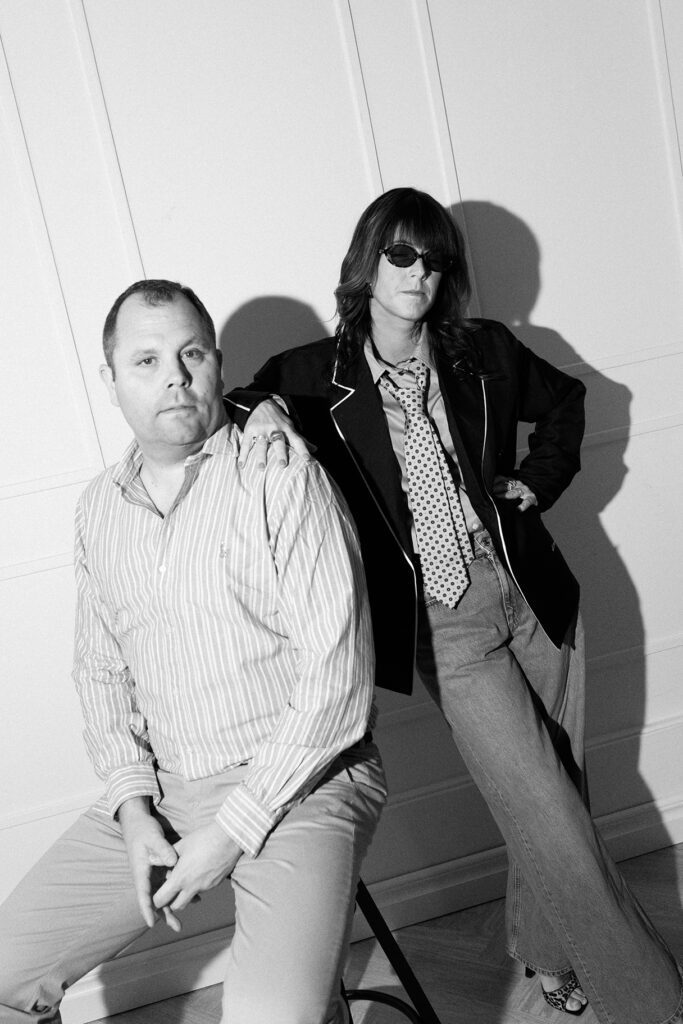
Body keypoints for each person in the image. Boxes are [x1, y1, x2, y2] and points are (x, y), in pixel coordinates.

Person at [227, 188, 683, 1023]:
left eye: (435, 260)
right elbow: (232, 404)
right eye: (401, 255)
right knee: (546, 809)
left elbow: (570, 401)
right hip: (443, 624)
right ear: (367, 262)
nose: (419, 274)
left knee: (555, 798)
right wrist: (257, 413)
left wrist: (534, 483)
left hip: (534, 594)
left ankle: (548, 953)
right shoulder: (316, 375)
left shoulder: (482, 351)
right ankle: (654, 1005)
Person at [0, 280, 386, 1024]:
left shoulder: (280, 473)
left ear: (217, 363)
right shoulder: (99, 507)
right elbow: (101, 672)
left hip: (304, 783)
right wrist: (133, 808)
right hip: (168, 790)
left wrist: (233, 829)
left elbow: (338, 681)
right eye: (145, 360)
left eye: (192, 354)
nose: (174, 376)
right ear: (110, 379)